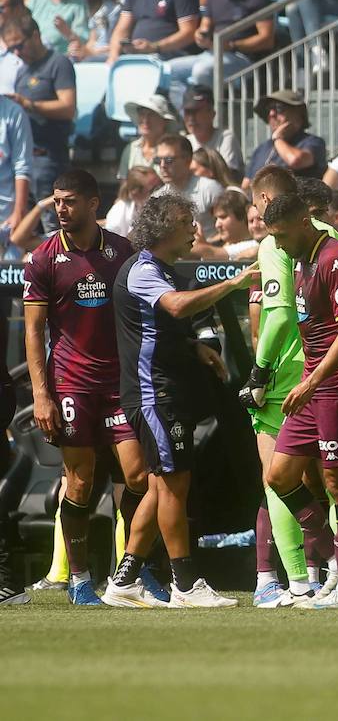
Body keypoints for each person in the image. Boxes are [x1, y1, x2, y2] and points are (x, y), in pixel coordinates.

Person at [103, 192, 257, 608]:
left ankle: (124, 579)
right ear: (165, 227)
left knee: (160, 489)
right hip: (155, 395)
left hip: (162, 391)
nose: (195, 230)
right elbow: (175, 307)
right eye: (188, 222)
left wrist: (194, 348)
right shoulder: (142, 269)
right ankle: (186, 584)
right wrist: (233, 283)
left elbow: (155, 328)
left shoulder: (161, 269)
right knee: (175, 487)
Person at [20, 170, 136, 609]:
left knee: (139, 477)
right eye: (56, 202)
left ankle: (132, 574)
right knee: (81, 483)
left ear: (93, 202)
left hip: (118, 384)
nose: (61, 210)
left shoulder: (121, 251)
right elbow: (33, 333)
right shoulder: (42, 258)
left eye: (69, 201)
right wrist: (41, 394)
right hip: (72, 385)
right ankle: (81, 579)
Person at [259, 191, 338, 610]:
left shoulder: (335, 257)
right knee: (280, 476)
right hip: (312, 384)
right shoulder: (299, 258)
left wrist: (310, 383)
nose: (277, 244)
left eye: (282, 235)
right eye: (272, 237)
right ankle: (337, 560)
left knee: (337, 483)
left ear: (304, 223)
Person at [237, 165, 338, 608]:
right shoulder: (330, 233)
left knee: (278, 479)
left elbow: (278, 314)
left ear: (264, 202)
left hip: (287, 377)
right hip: (330, 372)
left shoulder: (271, 241)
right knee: (335, 479)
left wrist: (258, 371)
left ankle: (294, 580)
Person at [166, 0, 275, 107]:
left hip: (243, 59)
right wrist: (201, 36)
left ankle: (206, 117)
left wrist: (231, 45)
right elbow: (205, 26)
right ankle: (187, 118)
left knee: (201, 71)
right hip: (212, 53)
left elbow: (267, 39)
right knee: (169, 70)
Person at [6, 12, 75, 204]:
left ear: (35, 35)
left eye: (20, 46)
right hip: (22, 162)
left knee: (52, 224)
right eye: (12, 49)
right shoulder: (22, 71)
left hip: (49, 158)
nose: (17, 53)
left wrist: (29, 105)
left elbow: (68, 107)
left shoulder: (58, 63)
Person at [245, 89, 328, 182]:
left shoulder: (313, 142)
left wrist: (278, 139)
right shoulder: (261, 149)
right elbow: (246, 184)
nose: (271, 114)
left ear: (298, 114)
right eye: (269, 109)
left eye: (279, 108)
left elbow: (295, 160)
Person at [153, 134, 224, 237]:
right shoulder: (157, 197)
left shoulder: (210, 189)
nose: (162, 165)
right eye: (158, 160)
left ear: (187, 160)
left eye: (169, 160)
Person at [181, 85, 245, 183]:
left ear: (212, 113)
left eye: (196, 111)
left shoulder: (225, 137)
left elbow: (227, 176)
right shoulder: (186, 141)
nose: (191, 118)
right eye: (187, 112)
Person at [118, 93, 179, 177]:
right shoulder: (131, 149)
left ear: (164, 121)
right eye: (142, 114)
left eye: (152, 114)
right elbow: (124, 186)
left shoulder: (175, 149)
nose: (145, 120)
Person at [191, 190, 259, 260]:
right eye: (216, 219)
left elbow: (210, 253)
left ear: (242, 216)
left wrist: (199, 245)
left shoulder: (254, 245)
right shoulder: (215, 243)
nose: (217, 225)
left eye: (223, 217)